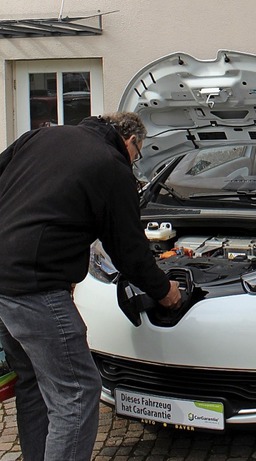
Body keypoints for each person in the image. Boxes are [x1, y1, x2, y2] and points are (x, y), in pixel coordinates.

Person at [0, 112, 182, 460]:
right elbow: (129, 251)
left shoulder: (40, 137)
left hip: (4, 281)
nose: (135, 163)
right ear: (130, 142)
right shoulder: (112, 166)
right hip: (35, 289)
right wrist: (165, 291)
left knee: (34, 383)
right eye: (138, 155)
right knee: (78, 392)